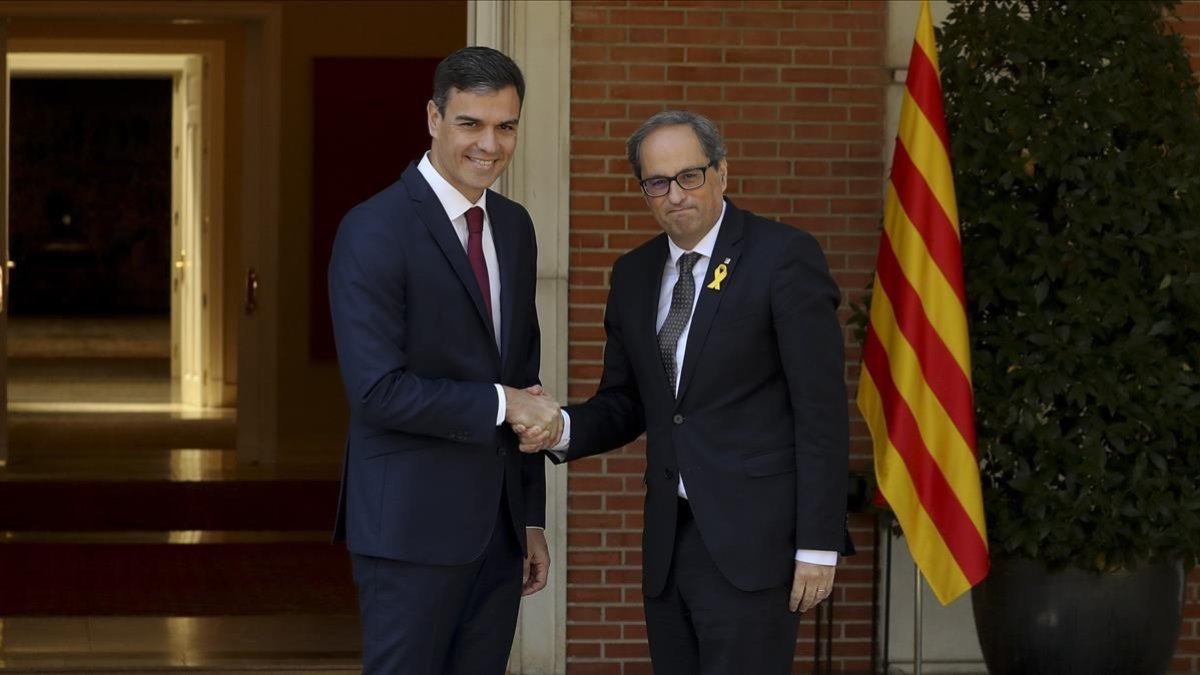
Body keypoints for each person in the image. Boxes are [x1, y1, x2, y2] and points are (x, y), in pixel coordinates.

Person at [519, 110, 852, 674]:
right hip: (671, 545)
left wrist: (818, 545)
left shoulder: (782, 257)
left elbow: (820, 412)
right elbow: (628, 402)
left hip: (758, 545)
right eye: (657, 183)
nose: (674, 195)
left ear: (721, 172)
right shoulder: (634, 273)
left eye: (689, 176)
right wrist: (562, 427)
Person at [328, 46, 561, 675]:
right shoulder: (373, 228)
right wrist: (505, 403)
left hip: (499, 530)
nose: (490, 144)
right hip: (408, 527)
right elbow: (378, 391)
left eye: (506, 126)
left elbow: (523, 377)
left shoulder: (513, 227)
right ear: (433, 117)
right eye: (471, 124)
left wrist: (530, 517)